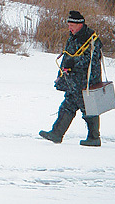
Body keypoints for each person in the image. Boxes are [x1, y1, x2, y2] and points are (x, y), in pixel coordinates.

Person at [39, 11, 103, 146]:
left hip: (86, 81)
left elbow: (92, 59)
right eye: (68, 25)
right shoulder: (72, 37)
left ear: (80, 24)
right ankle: (57, 134)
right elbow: (67, 58)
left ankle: (94, 138)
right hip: (74, 80)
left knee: (87, 107)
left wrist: (74, 63)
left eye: (72, 25)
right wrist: (61, 76)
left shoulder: (91, 39)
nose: (70, 28)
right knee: (68, 105)